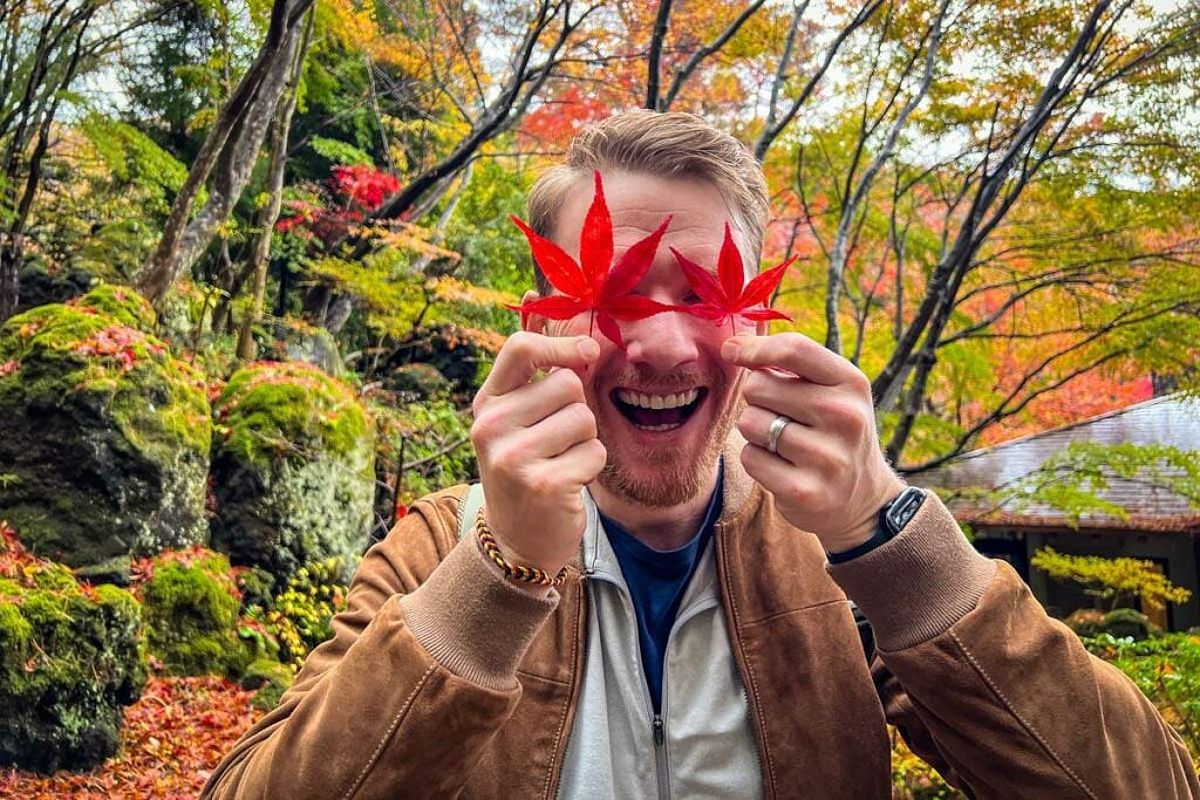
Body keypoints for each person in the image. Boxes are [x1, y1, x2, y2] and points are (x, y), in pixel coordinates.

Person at [203, 111, 1198, 799]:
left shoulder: (836, 570)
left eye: (704, 296)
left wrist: (889, 536)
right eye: (611, 290)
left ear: (762, 323)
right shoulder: (436, 548)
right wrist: (499, 574)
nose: (664, 346)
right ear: (538, 321)